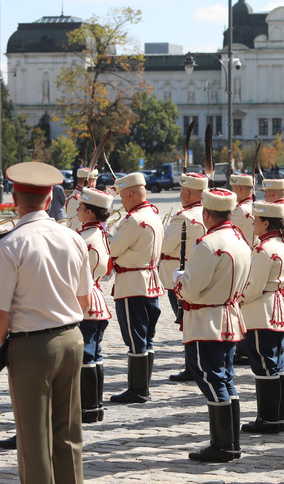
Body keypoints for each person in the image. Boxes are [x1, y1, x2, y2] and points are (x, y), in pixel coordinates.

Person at [0, 161, 91, 484]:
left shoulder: (11, 244)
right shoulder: (72, 238)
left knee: (33, 439)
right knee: (68, 432)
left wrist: (6, 349)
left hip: (31, 345)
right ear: (51, 197)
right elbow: (84, 299)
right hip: (71, 338)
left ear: (14, 197)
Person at [173, 188, 252, 462]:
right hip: (229, 317)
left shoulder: (207, 244)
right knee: (225, 379)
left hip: (207, 322)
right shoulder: (240, 238)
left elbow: (191, 290)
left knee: (211, 377)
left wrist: (178, 280)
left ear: (207, 213)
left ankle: (223, 445)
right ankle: (231, 441)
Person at [108, 172, 165, 403]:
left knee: (135, 337)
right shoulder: (152, 214)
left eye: (122, 197)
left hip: (133, 284)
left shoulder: (133, 220)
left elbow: (112, 248)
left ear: (130, 194)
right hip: (150, 281)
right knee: (146, 336)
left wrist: (109, 232)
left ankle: (138, 389)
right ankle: (144, 386)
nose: (121, 201)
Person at [239, 201, 284, 434]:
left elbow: (253, 287)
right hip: (277, 306)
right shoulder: (282, 243)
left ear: (266, 222)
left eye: (256, 220)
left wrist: (235, 297)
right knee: (276, 365)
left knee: (265, 366)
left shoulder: (264, 249)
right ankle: (276, 417)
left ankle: (269, 419)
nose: (253, 224)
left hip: (262, 310)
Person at [160, 173, 208, 381]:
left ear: (187, 193)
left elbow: (165, 244)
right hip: (201, 271)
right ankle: (199, 363)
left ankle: (192, 366)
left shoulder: (183, 216)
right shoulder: (207, 212)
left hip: (180, 276)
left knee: (187, 323)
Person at [76, 187, 114, 422]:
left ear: (90, 212)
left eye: (81, 208)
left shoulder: (83, 239)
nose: (77, 211)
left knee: (85, 355)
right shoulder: (100, 233)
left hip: (85, 299)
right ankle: (96, 405)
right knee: (95, 353)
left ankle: (88, 408)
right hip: (97, 297)